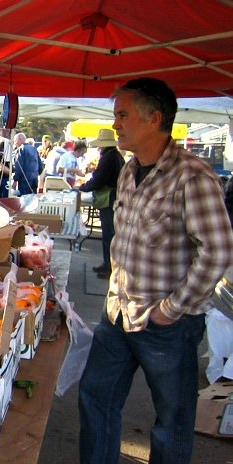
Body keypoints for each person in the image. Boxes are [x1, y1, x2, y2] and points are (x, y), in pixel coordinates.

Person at [78, 77, 233, 464]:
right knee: (95, 398)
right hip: (117, 316)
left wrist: (173, 308)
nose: (116, 123)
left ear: (154, 118)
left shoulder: (192, 176)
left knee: (171, 423)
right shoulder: (130, 171)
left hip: (165, 326)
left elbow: (218, 251)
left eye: (123, 115)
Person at [78, 129, 125, 279]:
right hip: (113, 197)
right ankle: (107, 264)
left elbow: (99, 179)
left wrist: (83, 187)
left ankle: (110, 267)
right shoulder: (115, 156)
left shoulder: (109, 158)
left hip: (110, 199)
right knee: (109, 234)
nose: (98, 148)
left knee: (109, 235)